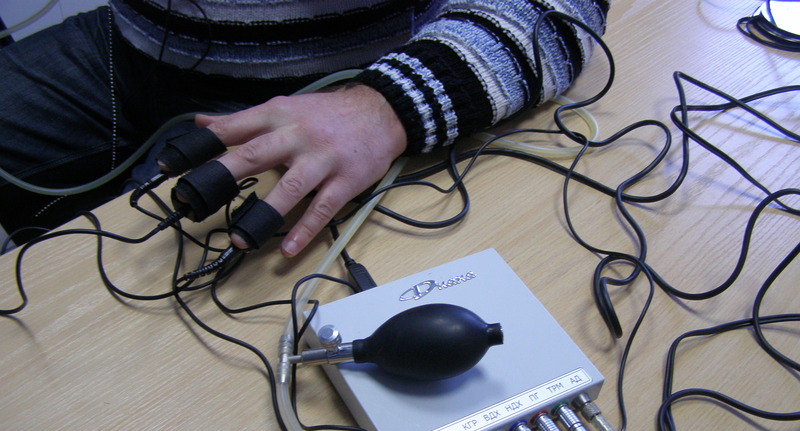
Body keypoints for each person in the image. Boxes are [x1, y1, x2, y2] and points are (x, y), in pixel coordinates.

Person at [0, 0, 609, 255]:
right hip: (126, 46)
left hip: (350, 88)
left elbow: (564, 8)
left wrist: (388, 105)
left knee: (144, 277)